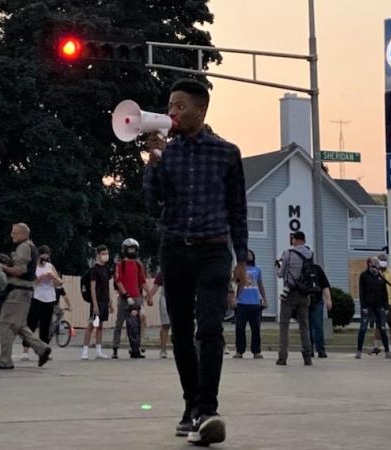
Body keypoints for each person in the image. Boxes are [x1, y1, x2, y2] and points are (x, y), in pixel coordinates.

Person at [143, 79, 248, 446]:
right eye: (170, 106)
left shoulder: (226, 153)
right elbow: (152, 203)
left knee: (210, 330)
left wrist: (242, 260)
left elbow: (238, 210)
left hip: (214, 250)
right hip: (174, 249)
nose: (172, 112)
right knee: (182, 333)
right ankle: (191, 405)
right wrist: (153, 161)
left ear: (201, 111)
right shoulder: (166, 154)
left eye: (180, 106)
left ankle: (207, 409)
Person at [0, 223, 51, 369]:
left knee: (6, 325)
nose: (11, 235)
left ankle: (5, 361)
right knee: (19, 325)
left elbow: (20, 270)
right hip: (24, 291)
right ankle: (42, 349)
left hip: (17, 291)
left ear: (23, 234)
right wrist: (10, 262)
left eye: (14, 233)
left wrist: (3, 267)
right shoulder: (31, 247)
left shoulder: (23, 247)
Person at [276, 231, 314, 367]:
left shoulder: (288, 253)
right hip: (304, 293)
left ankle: (282, 357)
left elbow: (281, 274)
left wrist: (278, 266)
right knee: (304, 326)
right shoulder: (310, 254)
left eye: (293, 239)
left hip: (290, 292)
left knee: (284, 325)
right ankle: (307, 356)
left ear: (296, 240)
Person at [21, 246, 63, 360]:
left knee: (45, 326)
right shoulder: (34, 267)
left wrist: (54, 278)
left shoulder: (50, 266)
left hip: (49, 298)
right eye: (43, 258)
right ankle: (25, 351)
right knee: (31, 324)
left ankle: (44, 351)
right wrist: (42, 277)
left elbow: (59, 283)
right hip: (36, 297)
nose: (45, 261)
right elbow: (31, 282)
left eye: (47, 258)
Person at [112, 238, 151, 359]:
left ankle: (135, 349)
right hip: (124, 299)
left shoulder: (138, 264)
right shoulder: (120, 265)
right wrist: (126, 295)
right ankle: (115, 348)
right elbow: (118, 281)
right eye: (130, 249)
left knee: (135, 324)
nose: (132, 251)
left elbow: (142, 281)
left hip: (137, 297)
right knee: (119, 323)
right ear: (125, 250)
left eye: (134, 249)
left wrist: (149, 294)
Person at [357, 257, 391, 359]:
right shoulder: (364, 276)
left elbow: (384, 292)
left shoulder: (380, 276)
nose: (376, 269)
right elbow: (361, 292)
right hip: (367, 306)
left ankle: (387, 351)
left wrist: (386, 307)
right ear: (369, 265)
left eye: (377, 267)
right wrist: (363, 306)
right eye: (374, 267)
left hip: (379, 305)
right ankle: (359, 350)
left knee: (382, 328)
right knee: (363, 328)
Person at [231, 250, 266, 359]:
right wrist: (234, 299)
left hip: (255, 303)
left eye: (250, 254)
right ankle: (239, 351)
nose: (248, 256)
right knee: (240, 328)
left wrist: (265, 299)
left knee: (255, 328)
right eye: (246, 254)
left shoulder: (257, 269)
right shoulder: (239, 269)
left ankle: (256, 351)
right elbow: (234, 283)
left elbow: (260, 285)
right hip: (241, 303)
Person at [81, 245, 113, 360]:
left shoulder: (106, 269)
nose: (106, 256)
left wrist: (110, 301)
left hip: (105, 301)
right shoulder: (94, 270)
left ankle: (99, 351)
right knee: (91, 325)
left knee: (100, 326)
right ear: (98, 255)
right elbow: (92, 287)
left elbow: (107, 286)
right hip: (97, 301)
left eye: (107, 253)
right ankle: (84, 351)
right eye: (103, 253)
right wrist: (94, 304)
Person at [371, 254, 391, 356]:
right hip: (378, 303)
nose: (383, 261)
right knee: (378, 326)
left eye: (384, 260)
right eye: (381, 260)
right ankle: (377, 346)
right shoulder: (374, 274)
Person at [147, 270, 172, 359]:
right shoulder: (162, 272)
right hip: (165, 299)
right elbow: (156, 286)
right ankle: (163, 350)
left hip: (179, 299)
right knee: (166, 325)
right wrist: (149, 296)